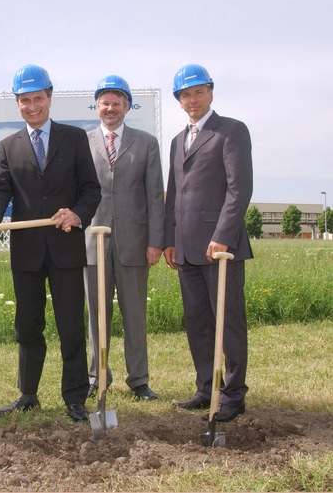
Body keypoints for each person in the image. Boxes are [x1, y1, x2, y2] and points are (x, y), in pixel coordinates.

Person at [0, 64, 101, 422]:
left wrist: (77, 214)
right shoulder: (8, 146)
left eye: (38, 99)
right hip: (27, 252)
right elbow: (0, 192)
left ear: (50, 98)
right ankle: (28, 394)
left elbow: (91, 190)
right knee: (27, 327)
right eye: (25, 101)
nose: (32, 106)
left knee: (70, 326)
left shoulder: (74, 139)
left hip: (66, 250)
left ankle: (75, 397)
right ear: (18, 103)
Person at [164, 64, 253, 423]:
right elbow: (174, 195)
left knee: (227, 320)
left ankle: (233, 394)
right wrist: (169, 239)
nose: (192, 100)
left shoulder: (231, 131)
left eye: (198, 92)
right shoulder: (176, 140)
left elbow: (239, 189)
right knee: (198, 321)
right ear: (179, 100)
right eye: (185, 94)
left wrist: (222, 235)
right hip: (186, 249)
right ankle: (206, 388)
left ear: (211, 92)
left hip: (220, 249)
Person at [83, 75, 164, 402]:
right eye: (105, 102)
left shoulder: (146, 143)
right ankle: (96, 376)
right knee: (95, 315)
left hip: (134, 242)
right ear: (97, 106)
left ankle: (139, 379)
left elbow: (155, 195)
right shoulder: (83, 142)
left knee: (134, 314)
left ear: (127, 106)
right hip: (93, 242)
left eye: (118, 102)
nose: (111, 107)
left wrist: (155, 240)